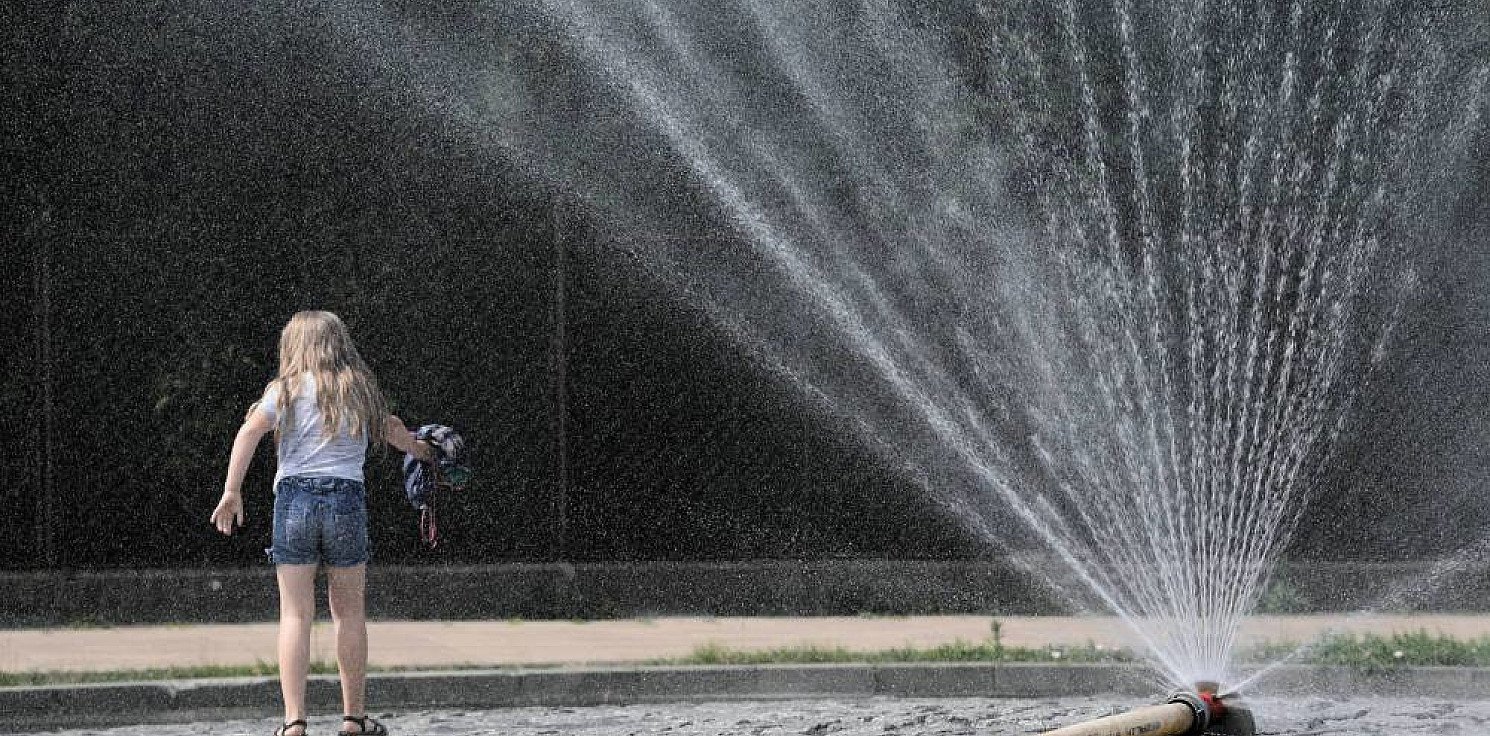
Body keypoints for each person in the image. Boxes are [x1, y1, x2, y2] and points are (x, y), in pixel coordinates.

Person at [210, 311, 430, 736]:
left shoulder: (285, 390)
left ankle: (294, 722)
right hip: (345, 501)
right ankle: (353, 720)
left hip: (294, 500)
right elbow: (394, 431)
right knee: (349, 613)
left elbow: (248, 432)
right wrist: (422, 452)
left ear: (294, 347)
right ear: (340, 344)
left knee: (295, 615)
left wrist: (232, 490)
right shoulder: (357, 388)